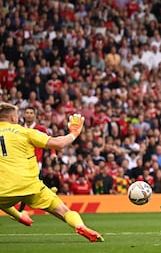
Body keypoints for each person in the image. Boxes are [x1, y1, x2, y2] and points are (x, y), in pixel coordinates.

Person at [0, 102, 104, 242]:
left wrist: (19, 216)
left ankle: (19, 216)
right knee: (63, 211)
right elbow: (59, 144)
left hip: (2, 189)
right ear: (13, 118)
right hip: (30, 186)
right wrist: (74, 133)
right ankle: (80, 225)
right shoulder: (25, 132)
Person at [19, 106, 54, 212]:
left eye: (31, 113)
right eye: (27, 112)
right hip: (20, 160)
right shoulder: (19, 129)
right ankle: (49, 193)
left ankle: (20, 210)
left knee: (30, 183)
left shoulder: (41, 129)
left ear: (35, 115)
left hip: (35, 161)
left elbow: (50, 141)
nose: (29, 115)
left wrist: (52, 153)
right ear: (24, 115)